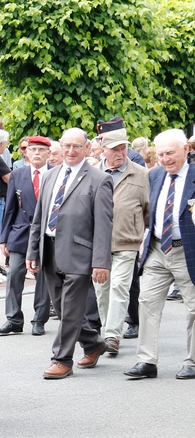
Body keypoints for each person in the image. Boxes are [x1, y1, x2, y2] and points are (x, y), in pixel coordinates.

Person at [27, 128, 113, 379]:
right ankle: (94, 343)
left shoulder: (99, 179)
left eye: (77, 146)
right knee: (63, 310)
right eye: (66, 146)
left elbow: (104, 225)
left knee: (72, 309)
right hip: (50, 250)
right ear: (60, 148)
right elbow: (39, 218)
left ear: (87, 148)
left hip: (80, 253)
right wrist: (33, 250)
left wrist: (101, 262)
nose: (71, 151)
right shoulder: (50, 176)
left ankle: (61, 359)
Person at [124, 129, 195, 379]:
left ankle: (193, 361)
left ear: (186, 150)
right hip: (157, 249)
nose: (165, 159)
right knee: (147, 303)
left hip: (188, 251)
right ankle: (147, 361)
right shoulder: (154, 175)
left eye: (170, 153)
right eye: (161, 154)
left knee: (194, 307)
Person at [95, 130, 149, 357]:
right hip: (98, 244)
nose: (119, 153)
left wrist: (138, 232)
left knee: (119, 286)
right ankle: (108, 328)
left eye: (123, 148)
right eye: (114, 149)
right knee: (102, 289)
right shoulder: (93, 173)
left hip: (127, 241)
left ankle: (111, 336)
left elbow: (148, 211)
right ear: (103, 150)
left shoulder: (141, 174)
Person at [0, 136, 53, 337]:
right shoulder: (18, 175)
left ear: (48, 153)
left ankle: (39, 319)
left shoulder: (56, 174)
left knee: (43, 277)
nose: (36, 153)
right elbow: (9, 207)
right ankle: (13, 319)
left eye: (40, 150)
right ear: (26, 152)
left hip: (46, 235)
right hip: (21, 233)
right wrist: (4, 238)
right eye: (32, 149)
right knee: (14, 275)